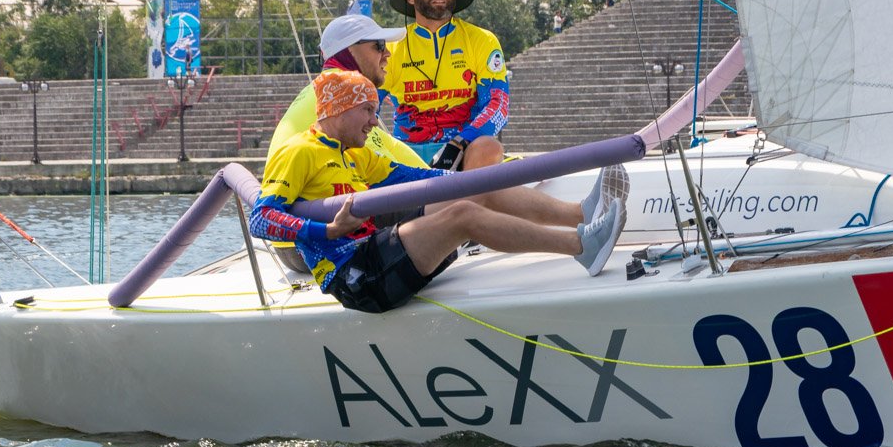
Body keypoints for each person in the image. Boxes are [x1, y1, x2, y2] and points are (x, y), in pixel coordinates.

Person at [250, 71, 629, 313]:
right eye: (367, 110)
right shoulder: (299, 150)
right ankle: (582, 248)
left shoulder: (356, 154)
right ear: (338, 110)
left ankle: (580, 213)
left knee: (473, 185)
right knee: (464, 214)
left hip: (380, 249)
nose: (373, 122)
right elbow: (261, 218)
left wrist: (483, 177)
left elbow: (423, 178)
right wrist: (328, 231)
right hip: (356, 277)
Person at [266, 14, 425, 271]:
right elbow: (378, 180)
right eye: (379, 46)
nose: (387, 55)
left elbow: (395, 159)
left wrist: (455, 179)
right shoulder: (334, 103)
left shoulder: (339, 101)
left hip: (306, 238)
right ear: (350, 51)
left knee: (454, 195)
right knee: (455, 210)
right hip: (316, 243)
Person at [382, 0, 507, 171]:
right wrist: (381, 148)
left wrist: (459, 142)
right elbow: (367, 106)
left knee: (490, 147)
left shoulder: (481, 40)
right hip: (406, 152)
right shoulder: (391, 47)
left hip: (464, 151)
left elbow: (499, 105)